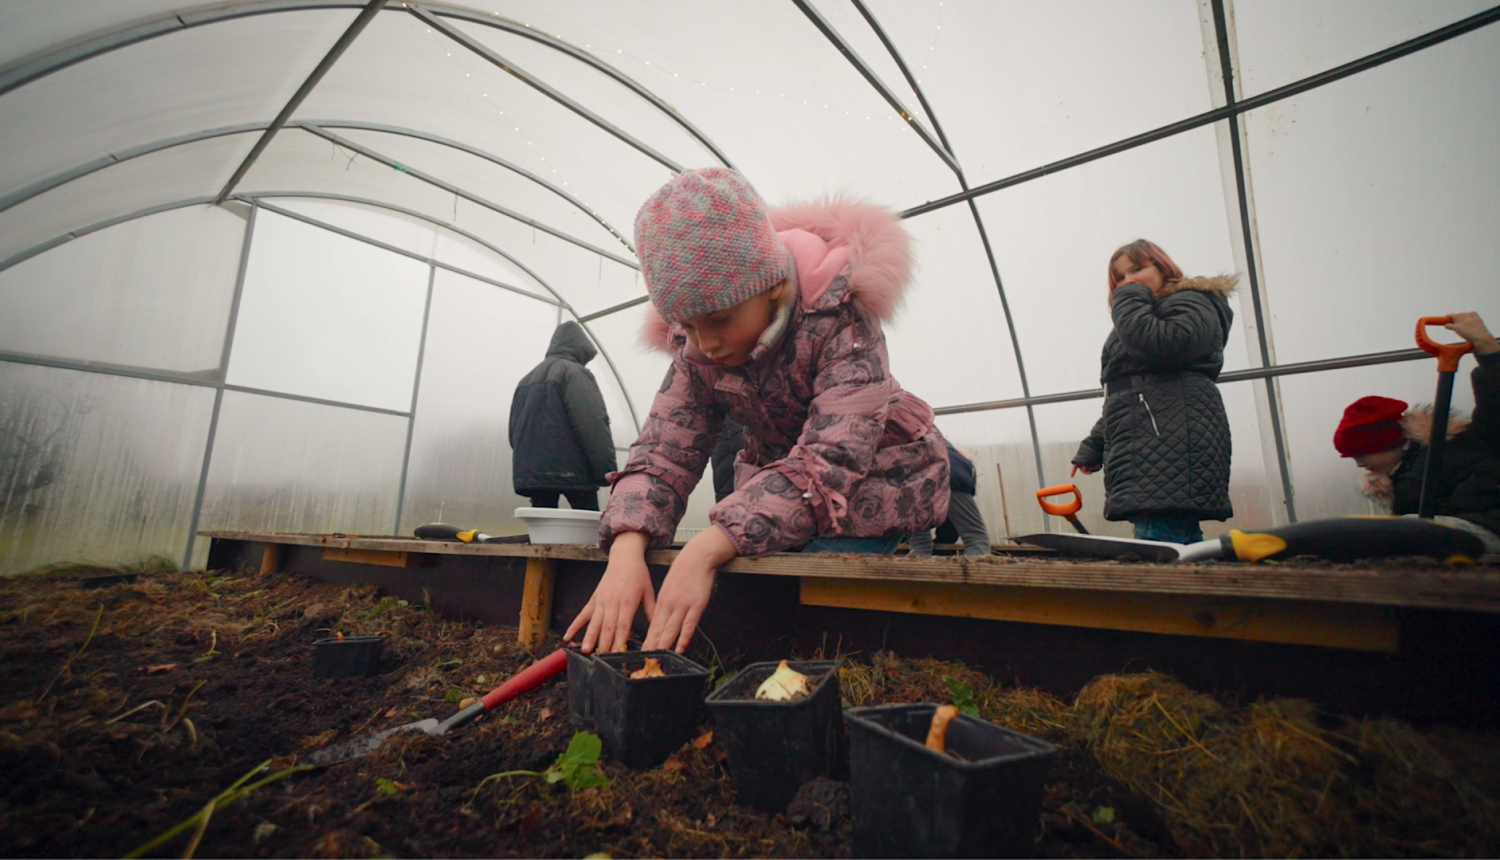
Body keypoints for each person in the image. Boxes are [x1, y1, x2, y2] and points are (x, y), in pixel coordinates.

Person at [566, 168, 950, 654]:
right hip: (785, 491)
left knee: (807, 599)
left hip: (876, 484)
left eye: (719, 319)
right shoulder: (698, 348)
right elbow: (665, 450)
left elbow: (830, 460)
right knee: (753, 570)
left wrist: (708, 546)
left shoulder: (842, 321)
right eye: (687, 324)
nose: (704, 344)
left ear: (771, 285)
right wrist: (625, 547)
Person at [1070, 239, 1236, 543]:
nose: (1128, 280)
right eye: (1119, 278)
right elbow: (1129, 392)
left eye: (1136, 269)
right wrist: (1095, 444)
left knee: (1158, 542)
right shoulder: (1147, 314)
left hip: (1170, 440)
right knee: (1176, 537)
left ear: (1162, 267)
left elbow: (1162, 346)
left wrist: (1129, 299)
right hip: (1154, 437)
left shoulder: (1191, 301)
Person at [1333, 311, 1500, 553]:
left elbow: (1495, 407)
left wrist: (1488, 349)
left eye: (1361, 454)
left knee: (1408, 530)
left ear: (1389, 442)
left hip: (1490, 528)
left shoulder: (1461, 444)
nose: (1359, 464)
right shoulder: (1399, 484)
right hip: (1455, 545)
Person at [509, 321, 616, 511]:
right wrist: (606, 471)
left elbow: (514, 432)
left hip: (534, 476)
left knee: (543, 532)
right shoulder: (574, 372)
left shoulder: (525, 380)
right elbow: (592, 423)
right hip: (573, 472)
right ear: (580, 350)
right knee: (587, 531)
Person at [909, 441, 991, 556]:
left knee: (920, 543)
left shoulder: (925, 436)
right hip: (948, 475)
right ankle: (977, 570)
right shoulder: (960, 466)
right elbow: (952, 527)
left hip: (911, 478)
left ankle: (919, 571)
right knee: (975, 537)